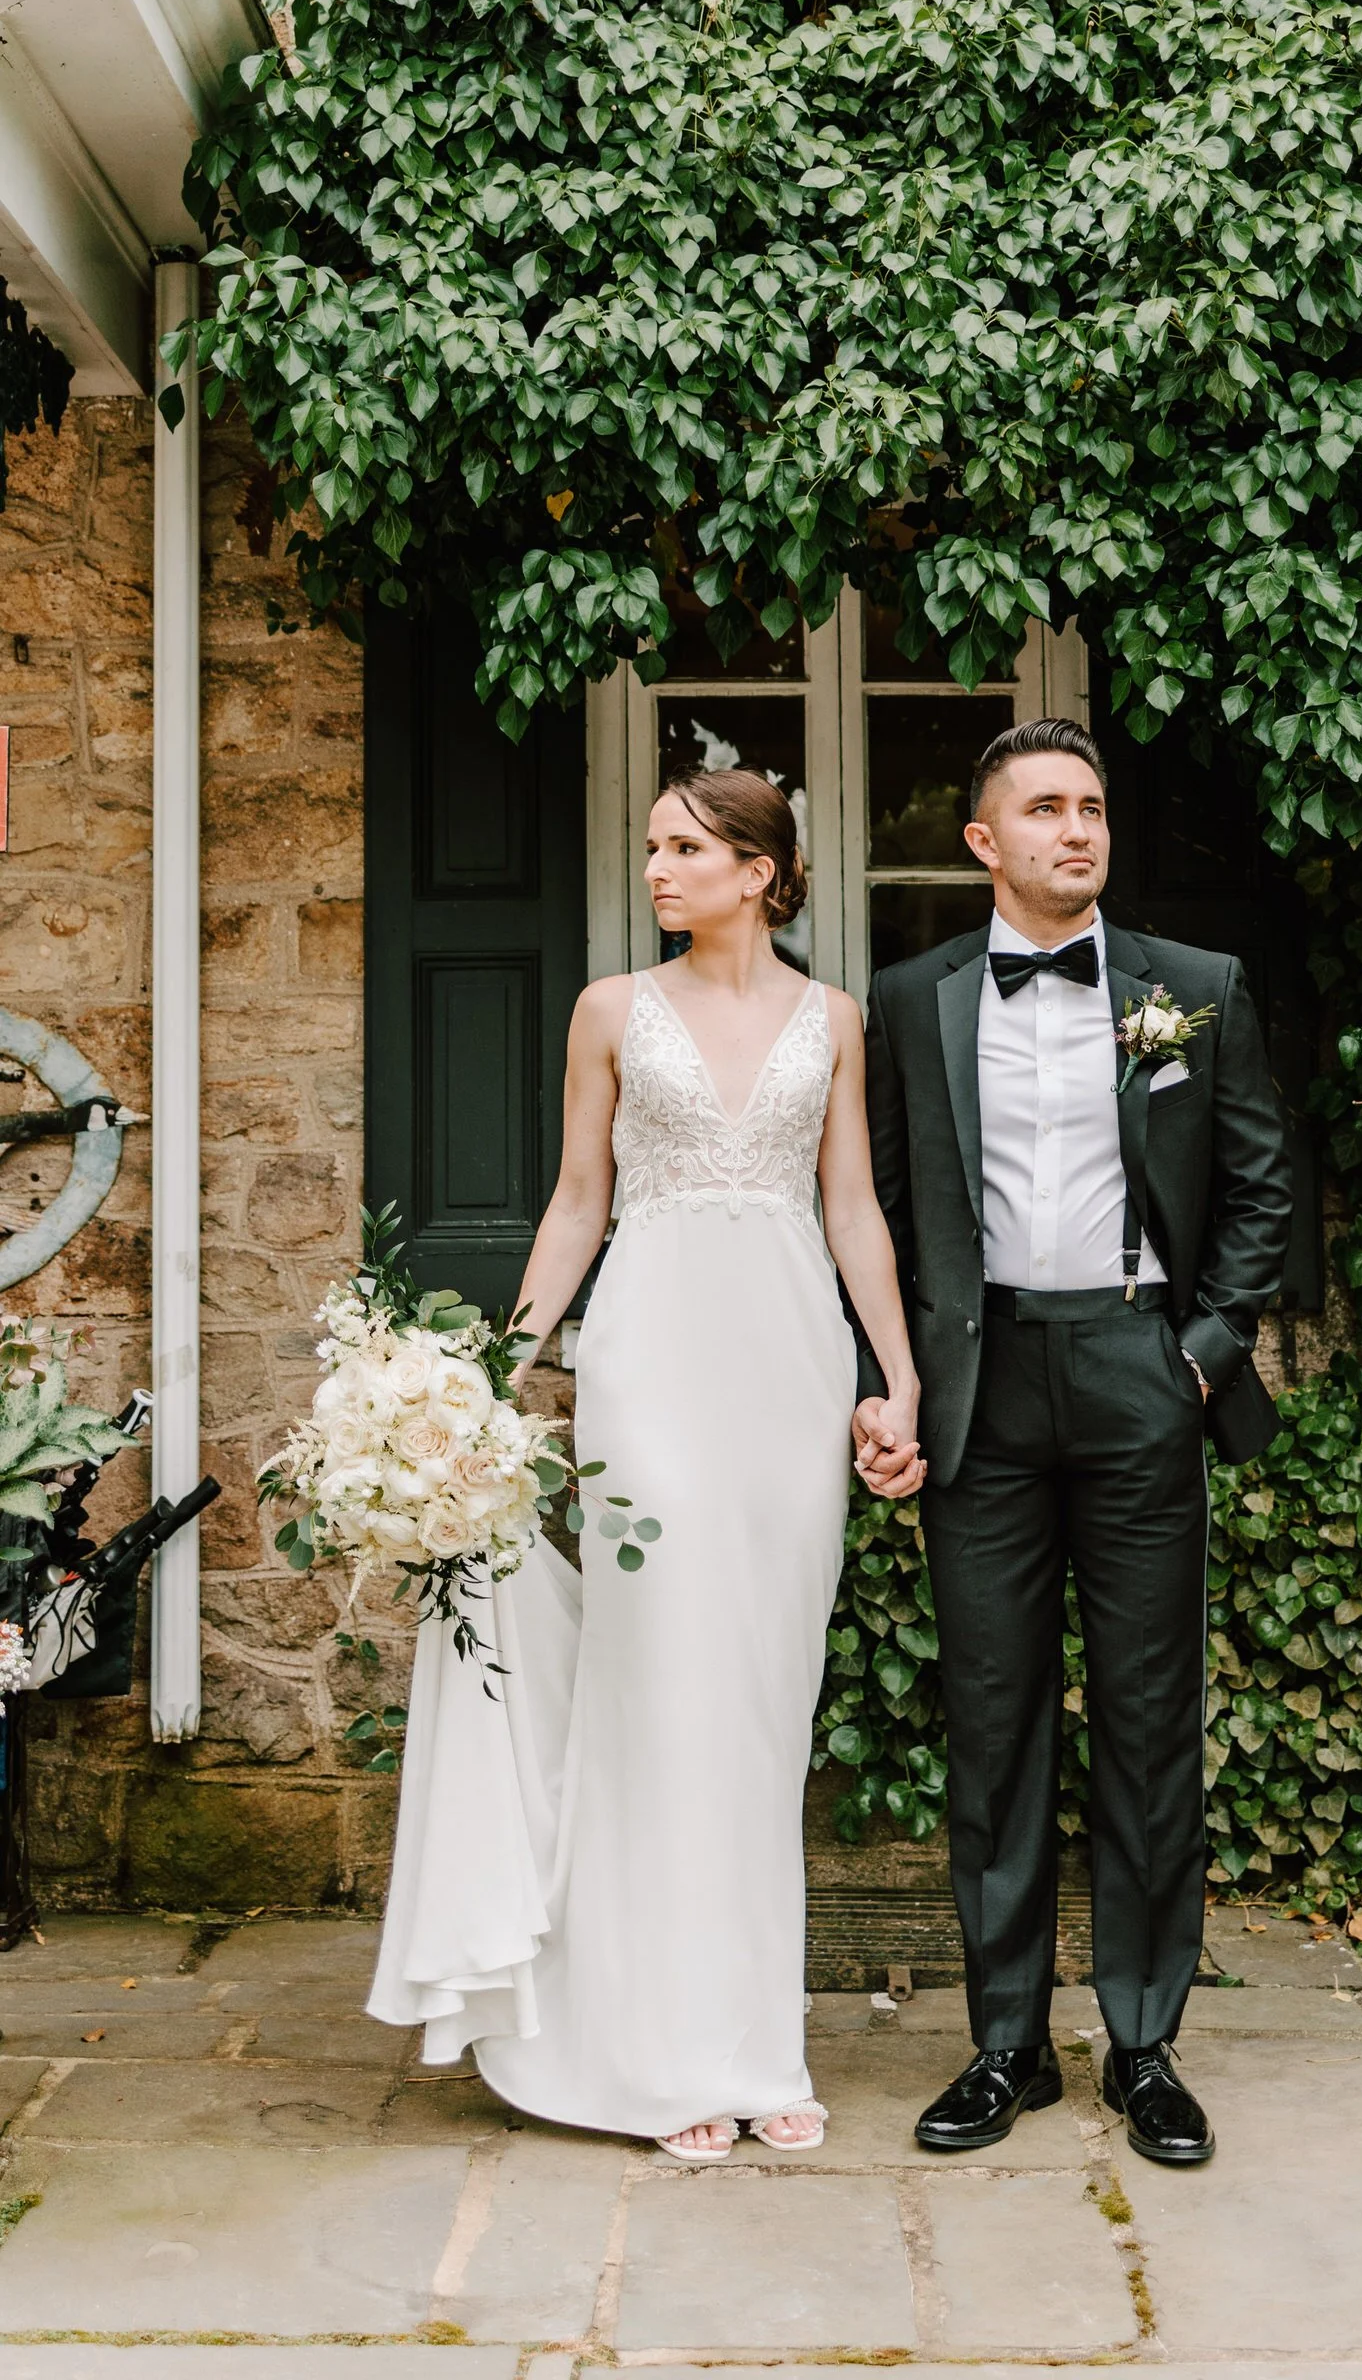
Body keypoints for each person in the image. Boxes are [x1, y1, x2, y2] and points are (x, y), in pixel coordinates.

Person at [369, 767, 925, 2163]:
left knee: (761, 1701)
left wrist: (894, 1373)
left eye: (686, 847)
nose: (658, 867)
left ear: (761, 871)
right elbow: (577, 1199)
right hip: (652, 1360)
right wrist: (494, 1369)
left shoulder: (835, 1022)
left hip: (790, 1361)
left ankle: (758, 2046)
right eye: (658, 846)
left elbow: (852, 1207)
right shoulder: (612, 1010)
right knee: (665, 1685)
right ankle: (659, 2051)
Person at [855, 717, 1293, 2169]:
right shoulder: (911, 999)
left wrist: (1198, 1355)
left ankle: (1148, 2043)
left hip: (1135, 1368)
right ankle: (1005, 2045)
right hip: (980, 1382)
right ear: (983, 842)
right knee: (993, 1722)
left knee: (1154, 1720)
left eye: (1092, 809)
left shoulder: (1195, 989)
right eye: (1044, 810)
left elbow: (1261, 1190)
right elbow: (885, 1221)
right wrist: (893, 1383)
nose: (1076, 831)